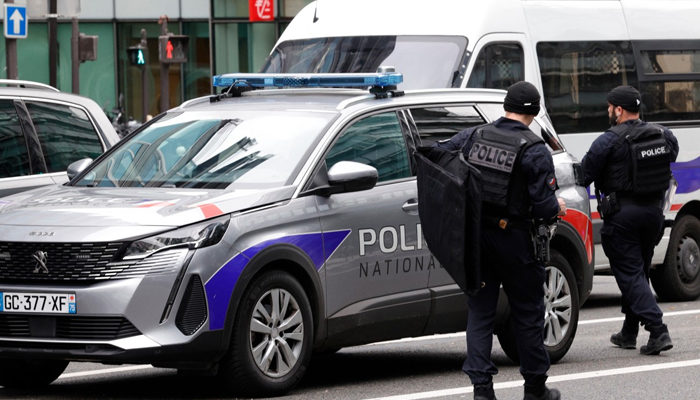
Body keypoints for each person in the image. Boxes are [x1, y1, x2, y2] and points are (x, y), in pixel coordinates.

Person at [435, 81, 566, 400]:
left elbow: (439, 155)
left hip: (478, 238)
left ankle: (482, 391)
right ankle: (535, 389)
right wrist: (558, 206)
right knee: (527, 313)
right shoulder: (534, 149)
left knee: (480, 313)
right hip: (516, 242)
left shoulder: (475, 135)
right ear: (534, 112)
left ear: (506, 106)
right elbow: (544, 206)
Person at [581, 85, 678, 355]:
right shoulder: (663, 134)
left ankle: (658, 330)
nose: (608, 111)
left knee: (630, 275)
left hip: (623, 217)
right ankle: (629, 331)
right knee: (639, 272)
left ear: (619, 110)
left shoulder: (608, 140)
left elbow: (585, 174)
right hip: (654, 216)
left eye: (610, 107)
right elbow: (672, 154)